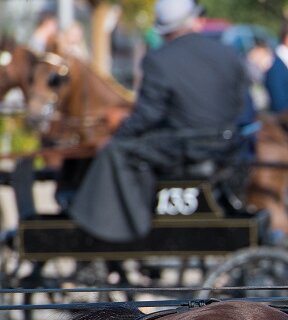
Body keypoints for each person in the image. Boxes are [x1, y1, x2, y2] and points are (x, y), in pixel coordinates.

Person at [68, 0, 251, 242]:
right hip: (225, 146)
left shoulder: (159, 60)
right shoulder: (226, 53)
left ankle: (123, 228)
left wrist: (117, 137)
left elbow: (147, 116)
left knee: (116, 151)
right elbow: (239, 104)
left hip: (185, 148)